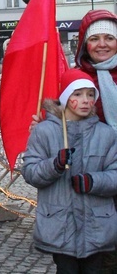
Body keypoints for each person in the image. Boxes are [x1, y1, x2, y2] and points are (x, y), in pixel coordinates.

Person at [22, 68, 117, 272]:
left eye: (90, 94)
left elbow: (115, 174)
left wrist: (93, 182)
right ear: (65, 97)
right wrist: (54, 165)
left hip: (96, 227)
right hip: (60, 226)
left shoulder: (106, 134)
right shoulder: (44, 132)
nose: (85, 100)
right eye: (78, 94)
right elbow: (30, 171)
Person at [74, 9, 117, 129]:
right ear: (85, 44)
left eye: (109, 38)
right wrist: (45, 125)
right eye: (94, 39)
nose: (102, 44)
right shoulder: (75, 79)